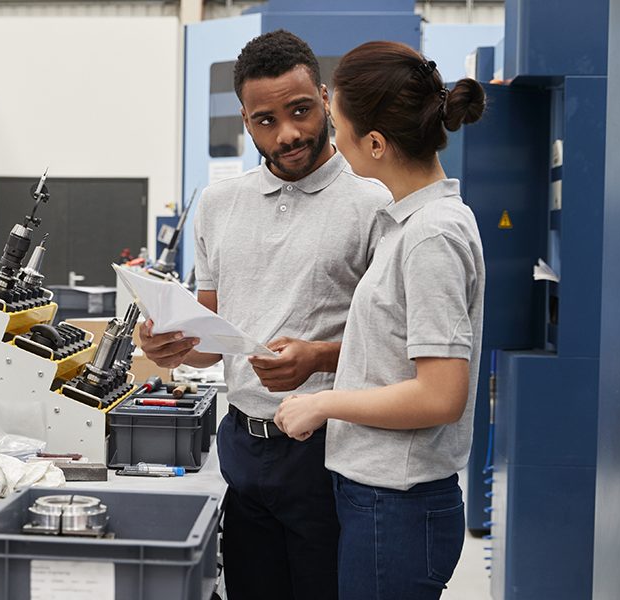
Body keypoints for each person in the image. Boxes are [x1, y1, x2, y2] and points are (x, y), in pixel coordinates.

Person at [139, 31, 390, 600]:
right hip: (244, 447)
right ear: (246, 122)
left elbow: (398, 343)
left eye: (300, 110)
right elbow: (211, 332)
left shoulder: (373, 200)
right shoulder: (220, 204)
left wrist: (320, 357)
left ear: (325, 99)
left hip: (333, 452)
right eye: (265, 120)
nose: (289, 133)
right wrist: (171, 343)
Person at [274, 41, 487, 599]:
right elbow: (393, 352)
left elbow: (440, 395)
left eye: (338, 128)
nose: (335, 142)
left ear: (374, 143)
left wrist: (322, 403)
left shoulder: (431, 237)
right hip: (381, 497)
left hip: (398, 503)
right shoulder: (409, 225)